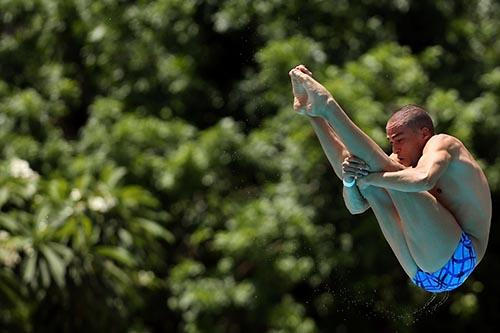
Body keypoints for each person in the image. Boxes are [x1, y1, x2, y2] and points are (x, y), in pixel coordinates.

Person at [289, 64, 491, 292]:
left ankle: (328, 105)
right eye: (391, 141)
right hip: (421, 275)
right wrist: (350, 180)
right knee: (365, 171)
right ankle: (313, 114)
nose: (394, 148)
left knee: (380, 172)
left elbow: (424, 179)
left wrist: (373, 177)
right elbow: (356, 207)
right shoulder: (399, 162)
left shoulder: (443, 143)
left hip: (461, 256)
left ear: (423, 133)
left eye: (400, 139)